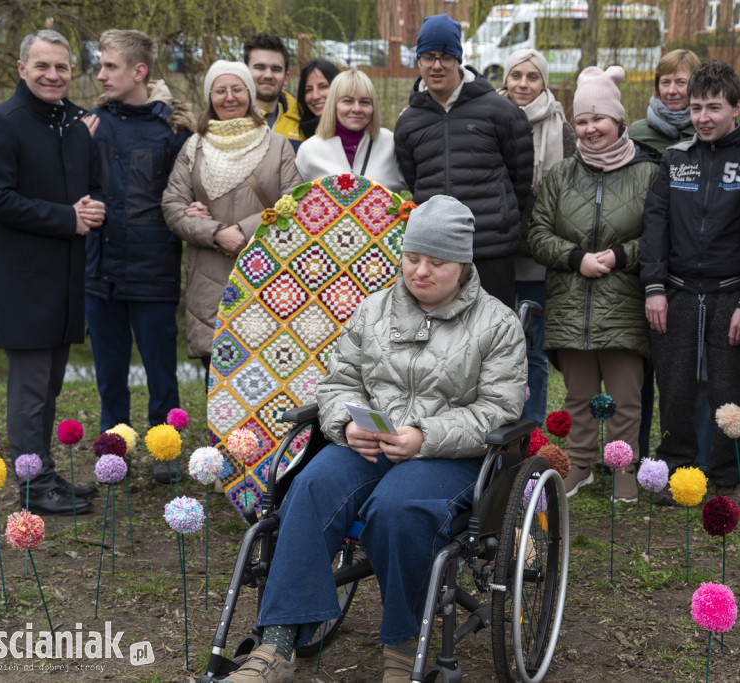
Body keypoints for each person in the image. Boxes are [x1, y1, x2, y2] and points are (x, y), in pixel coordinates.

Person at [222, 196, 527, 683]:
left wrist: (423, 436)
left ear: (464, 264)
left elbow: (499, 410)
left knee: (398, 510)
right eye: (412, 258)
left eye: (436, 262)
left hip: (449, 456)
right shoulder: (374, 310)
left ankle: (404, 642)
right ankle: (277, 644)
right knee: (311, 487)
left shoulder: (497, 324)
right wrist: (346, 425)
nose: (420, 271)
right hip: (372, 443)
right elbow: (338, 383)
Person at [0, 29, 104, 515]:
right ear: (22, 69)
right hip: (22, 283)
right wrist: (68, 218)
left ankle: (43, 471)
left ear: (72, 71)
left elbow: (89, 187)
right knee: (29, 392)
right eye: (43, 66)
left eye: (62, 67)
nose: (53, 75)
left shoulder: (73, 123)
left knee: (48, 388)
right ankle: (32, 486)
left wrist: (94, 208)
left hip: (66, 281)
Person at [529, 66, 659, 502]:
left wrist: (622, 255)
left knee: (626, 402)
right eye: (581, 121)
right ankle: (579, 466)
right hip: (570, 304)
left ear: (620, 122)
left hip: (624, 305)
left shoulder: (647, 174)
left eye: (598, 119)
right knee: (579, 400)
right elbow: (537, 232)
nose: (589, 129)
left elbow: (661, 237)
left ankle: (624, 471)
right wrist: (574, 258)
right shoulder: (562, 175)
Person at [640, 61, 740, 508]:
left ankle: (728, 477)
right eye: (696, 108)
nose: (704, 118)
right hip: (674, 292)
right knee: (674, 386)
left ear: (736, 107)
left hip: (732, 293)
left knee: (731, 390)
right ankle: (679, 472)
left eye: (714, 107)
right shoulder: (676, 158)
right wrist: (654, 286)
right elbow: (655, 224)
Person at [82, 30, 195, 485]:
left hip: (154, 273)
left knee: (161, 373)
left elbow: (188, 190)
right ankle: (116, 453)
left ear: (139, 71)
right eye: (100, 65)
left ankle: (165, 451)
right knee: (110, 376)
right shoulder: (90, 125)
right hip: (100, 272)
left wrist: (198, 207)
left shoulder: (173, 131)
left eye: (109, 66)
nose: (100, 74)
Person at [162, 61, 301, 367]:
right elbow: (172, 206)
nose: (229, 97)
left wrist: (243, 230)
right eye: (220, 90)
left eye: (237, 89)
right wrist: (215, 233)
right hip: (209, 279)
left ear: (249, 95)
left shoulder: (277, 146)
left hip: (266, 276)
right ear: (210, 96)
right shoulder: (193, 148)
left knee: (267, 377)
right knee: (218, 384)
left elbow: (294, 203)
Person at [394, 13, 533, 308]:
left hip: (490, 249)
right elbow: (413, 178)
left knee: (493, 340)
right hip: (435, 256)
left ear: (458, 59)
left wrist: (500, 218)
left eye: (445, 56)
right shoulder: (409, 122)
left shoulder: (501, 112)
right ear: (418, 60)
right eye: (428, 56)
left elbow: (520, 177)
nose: (436, 65)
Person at [629, 48, 712, 474]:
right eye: (667, 81)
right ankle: (638, 452)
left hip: (696, 263)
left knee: (695, 368)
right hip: (644, 257)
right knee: (642, 363)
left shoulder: (713, 132)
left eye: (683, 81)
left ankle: (693, 453)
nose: (674, 90)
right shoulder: (639, 132)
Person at [498, 48, 575, 426]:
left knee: (531, 351)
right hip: (495, 252)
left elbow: (567, 193)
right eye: (516, 75)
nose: (523, 84)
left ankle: (531, 429)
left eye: (532, 77)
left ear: (544, 82)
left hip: (537, 260)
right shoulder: (490, 116)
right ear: (506, 79)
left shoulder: (561, 129)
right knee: (493, 348)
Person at [295, 69, 405, 191]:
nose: (357, 109)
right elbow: (296, 202)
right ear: (333, 105)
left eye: (364, 102)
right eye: (347, 101)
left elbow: (421, 186)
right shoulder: (309, 150)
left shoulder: (390, 143)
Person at [629, 49, 701, 153]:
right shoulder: (637, 133)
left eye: (681, 82)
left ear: (697, 85)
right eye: (665, 82)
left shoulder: (708, 130)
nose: (671, 91)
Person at [243, 33, 303, 150]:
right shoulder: (227, 117)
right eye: (260, 67)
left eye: (276, 69)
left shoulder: (302, 121)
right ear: (244, 72)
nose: (268, 75)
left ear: (286, 77)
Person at [295, 59, 339, 140]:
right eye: (308, 90)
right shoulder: (298, 134)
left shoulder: (356, 129)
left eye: (323, 86)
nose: (315, 96)